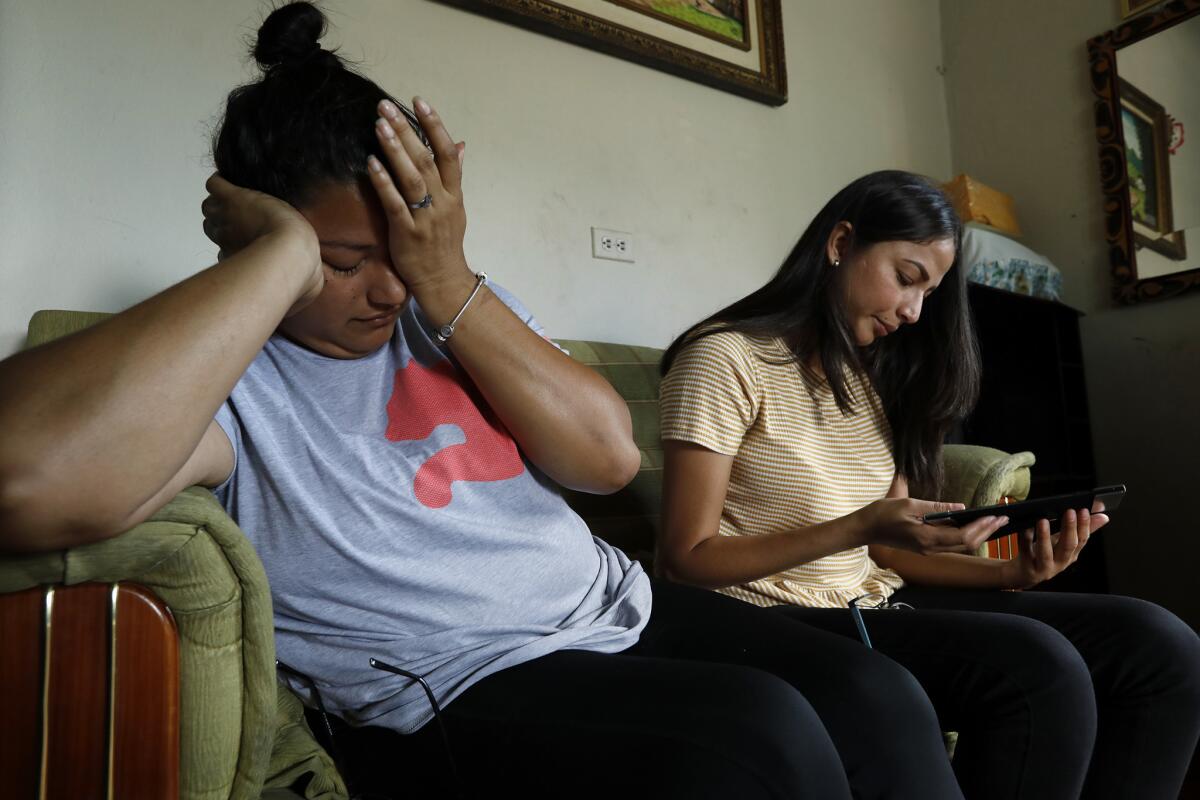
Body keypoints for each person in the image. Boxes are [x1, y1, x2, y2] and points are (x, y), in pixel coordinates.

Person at [1, 5, 963, 798]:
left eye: (403, 249)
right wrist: (280, 261)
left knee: (876, 694)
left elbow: (606, 461)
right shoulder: (224, 378)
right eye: (343, 261)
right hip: (446, 687)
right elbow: (26, 480)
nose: (385, 290)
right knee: (761, 736)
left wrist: (448, 276)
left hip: (612, 609)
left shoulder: (442, 303)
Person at [657, 169, 1200, 799]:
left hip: (872, 599)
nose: (914, 312)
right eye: (907, 278)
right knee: (1036, 668)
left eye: (929, 294)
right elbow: (684, 561)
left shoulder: (869, 379)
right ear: (840, 243)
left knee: (1159, 645)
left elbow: (886, 554)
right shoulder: (723, 359)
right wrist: (859, 525)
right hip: (772, 613)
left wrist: (1012, 572)